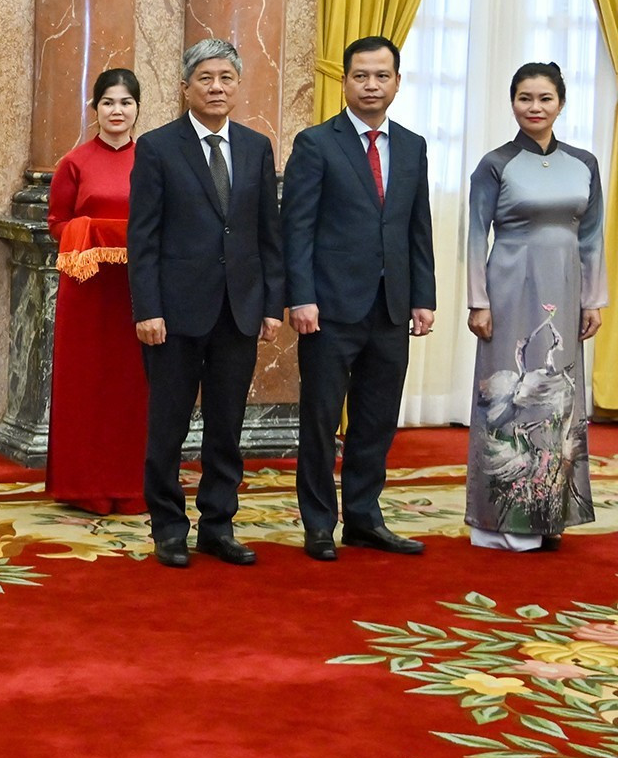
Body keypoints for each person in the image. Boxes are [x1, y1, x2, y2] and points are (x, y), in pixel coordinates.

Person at [127, 37, 284, 568]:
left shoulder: (257, 146)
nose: (217, 87)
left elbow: (268, 233)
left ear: (238, 86)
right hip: (172, 314)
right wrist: (146, 308)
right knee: (167, 424)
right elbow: (142, 236)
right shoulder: (157, 147)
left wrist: (270, 305)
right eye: (206, 78)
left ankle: (218, 524)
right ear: (185, 87)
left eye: (227, 78)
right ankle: (167, 527)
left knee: (227, 425)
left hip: (238, 310)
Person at [284, 35, 437, 561]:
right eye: (361, 76)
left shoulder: (413, 146)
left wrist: (424, 296)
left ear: (397, 81)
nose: (371, 85)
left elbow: (418, 228)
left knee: (377, 419)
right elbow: (296, 228)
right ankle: (320, 524)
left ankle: (366, 518)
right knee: (322, 420)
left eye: (382, 76)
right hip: (327, 310)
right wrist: (299, 296)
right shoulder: (315, 143)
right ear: (344, 80)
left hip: (391, 306)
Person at [465, 61, 605, 551]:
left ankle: (549, 515)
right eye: (525, 98)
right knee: (508, 398)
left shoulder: (584, 162)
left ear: (560, 103)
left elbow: (591, 235)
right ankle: (502, 520)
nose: (534, 107)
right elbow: (476, 235)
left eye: (544, 98)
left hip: (565, 287)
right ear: (512, 103)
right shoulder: (495, 163)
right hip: (508, 287)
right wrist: (478, 301)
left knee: (558, 397)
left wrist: (593, 299)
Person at [45, 68, 146, 514]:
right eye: (108, 102)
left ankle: (131, 484)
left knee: (133, 385)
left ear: (138, 108)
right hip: (86, 289)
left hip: (137, 289)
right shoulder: (74, 162)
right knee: (86, 384)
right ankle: (84, 486)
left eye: (125, 102)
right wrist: (95, 233)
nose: (117, 110)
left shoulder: (153, 159)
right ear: (95, 109)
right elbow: (57, 223)